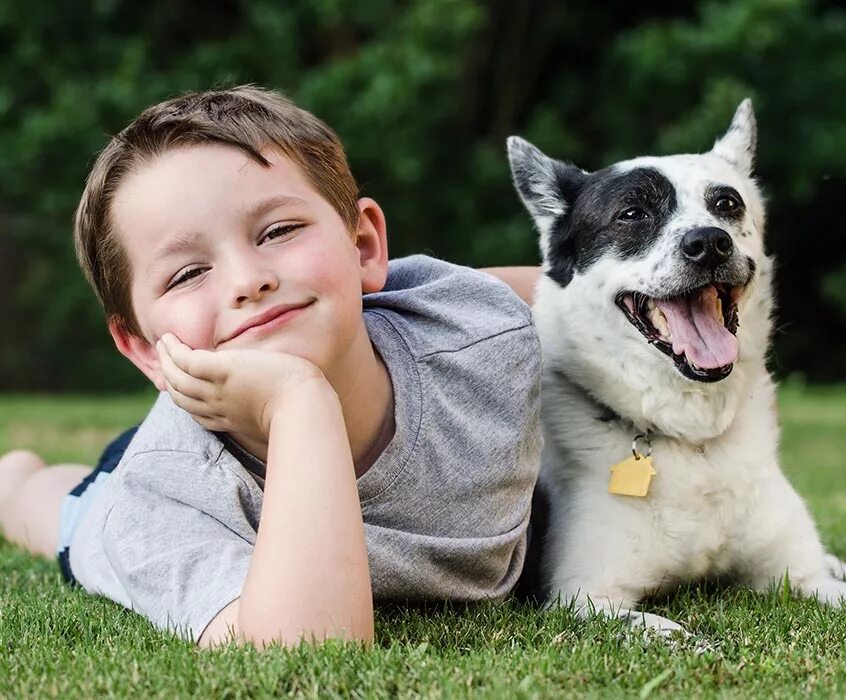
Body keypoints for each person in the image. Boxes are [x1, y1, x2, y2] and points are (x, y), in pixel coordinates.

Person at [0, 86, 543, 648]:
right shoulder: (154, 505)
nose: (247, 281)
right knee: (69, 514)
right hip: (171, 466)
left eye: (278, 231)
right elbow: (306, 653)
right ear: (141, 348)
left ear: (363, 247)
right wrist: (297, 401)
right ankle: (14, 482)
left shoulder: (475, 328)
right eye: (187, 274)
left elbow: (587, 299)